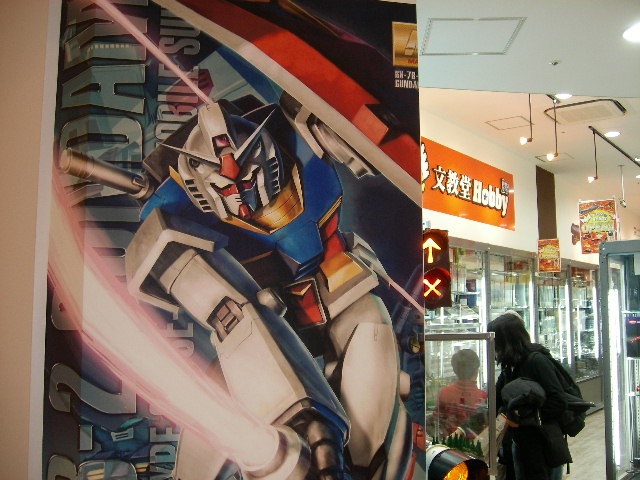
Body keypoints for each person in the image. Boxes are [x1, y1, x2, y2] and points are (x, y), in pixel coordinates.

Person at [488, 310, 572, 480]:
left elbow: (558, 401)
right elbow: (495, 400)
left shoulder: (536, 361)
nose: (494, 348)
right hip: (522, 444)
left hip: (544, 445)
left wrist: (521, 419)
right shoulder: (510, 366)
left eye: (496, 343)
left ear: (507, 342)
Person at [436, 348, 488, 438]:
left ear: (454, 370)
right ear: (476, 371)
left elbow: (437, 421)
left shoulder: (444, 392)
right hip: (476, 444)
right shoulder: (483, 397)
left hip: (448, 445)